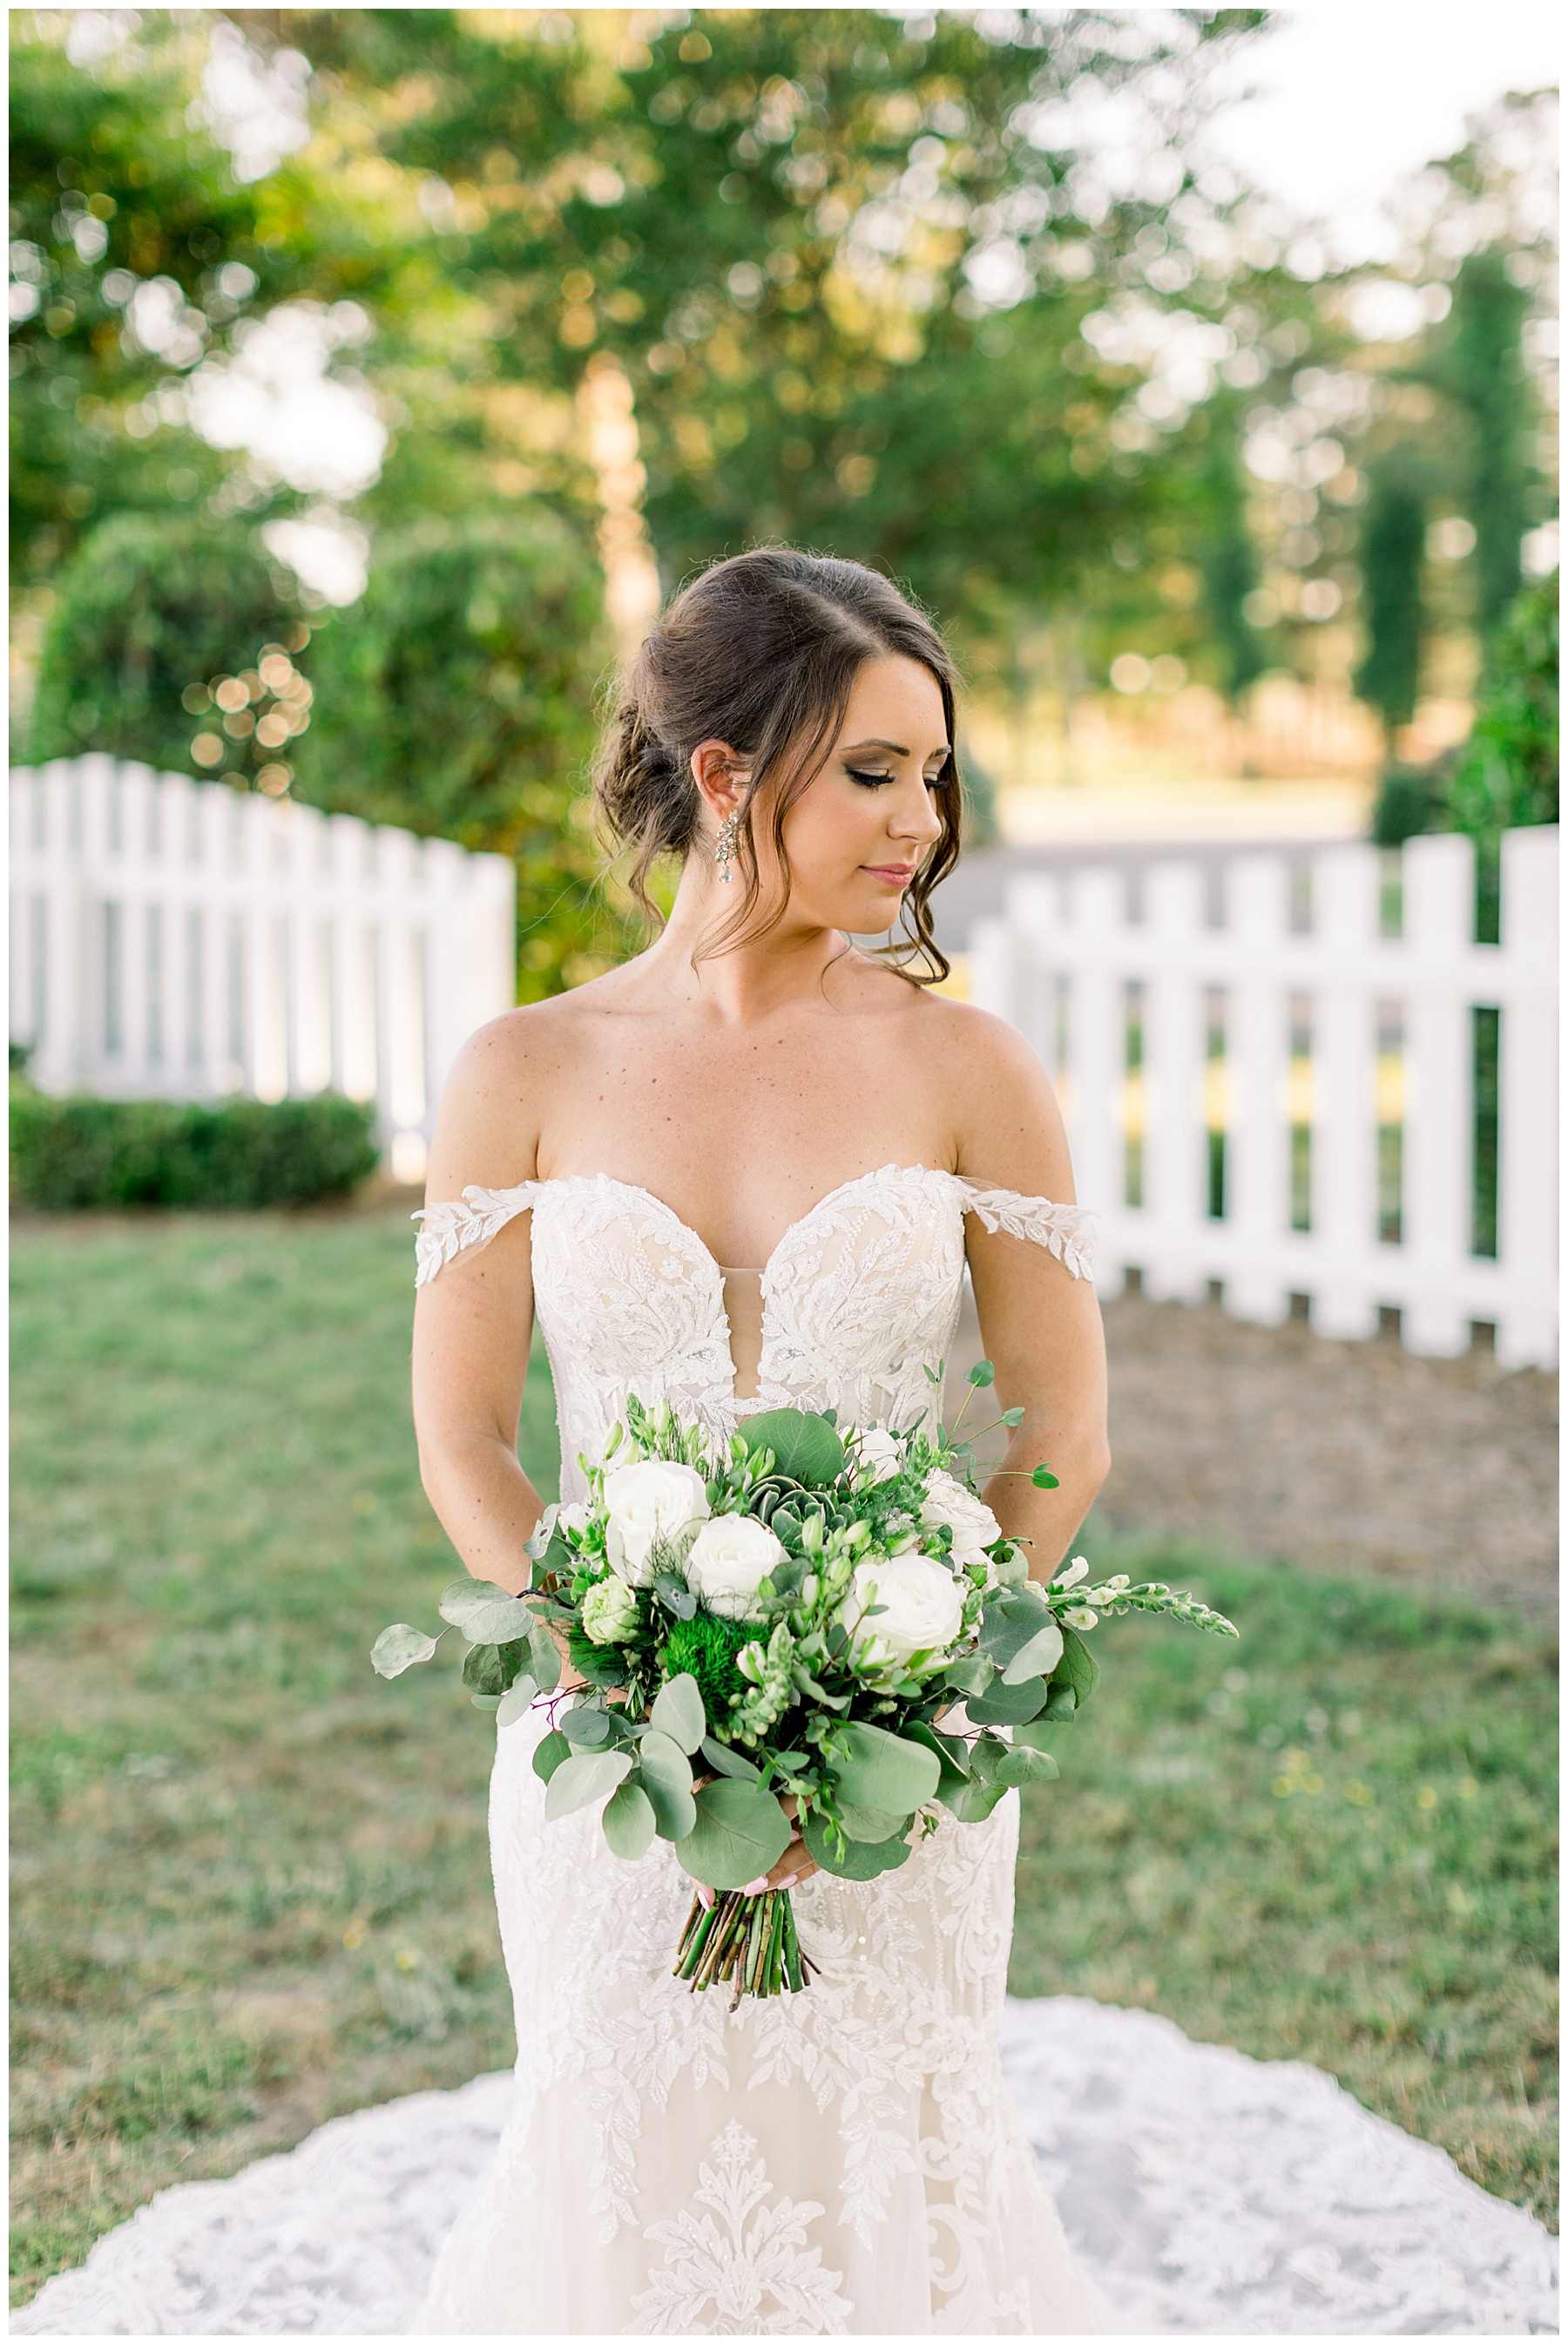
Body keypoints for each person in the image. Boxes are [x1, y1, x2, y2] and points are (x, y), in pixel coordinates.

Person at [409, 549, 1110, 2334]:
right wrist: (599, 1670)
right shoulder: (523, 1071)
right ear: (726, 774)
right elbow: (466, 1435)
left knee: (892, 2158)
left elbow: (1058, 1432)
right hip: (599, 1760)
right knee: (622, 2158)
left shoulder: (974, 1073)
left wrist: (902, 1699)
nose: (922, 821)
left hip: (899, 1772)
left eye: (935, 775)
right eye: (876, 770)